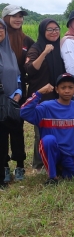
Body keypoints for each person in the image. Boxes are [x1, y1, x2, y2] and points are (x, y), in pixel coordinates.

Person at [20, 75, 74, 185]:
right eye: (63, 87)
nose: (67, 90)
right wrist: (39, 93)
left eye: (70, 87)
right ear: (57, 89)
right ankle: (52, 177)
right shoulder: (46, 106)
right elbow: (24, 112)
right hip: (52, 151)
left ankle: (62, 170)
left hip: (69, 154)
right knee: (48, 140)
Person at [25, 18, 66, 172]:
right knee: (40, 131)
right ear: (43, 31)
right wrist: (45, 52)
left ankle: (55, 161)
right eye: (49, 29)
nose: (54, 32)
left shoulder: (60, 47)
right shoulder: (36, 48)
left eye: (56, 29)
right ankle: (39, 165)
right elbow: (30, 69)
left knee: (55, 130)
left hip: (58, 96)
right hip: (41, 97)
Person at [2, 5, 33, 181]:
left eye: (21, 16)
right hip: (2, 89)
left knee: (17, 127)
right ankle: (4, 164)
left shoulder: (26, 40)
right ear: (5, 18)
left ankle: (20, 165)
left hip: (19, 89)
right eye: (14, 16)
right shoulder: (1, 38)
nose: (18, 19)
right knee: (1, 129)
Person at [0, 19, 23, 186]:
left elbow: (18, 76)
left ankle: (20, 166)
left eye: (1, 28)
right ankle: (4, 168)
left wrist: (19, 92)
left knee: (17, 133)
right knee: (1, 137)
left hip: (13, 100)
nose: (0, 31)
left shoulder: (11, 52)